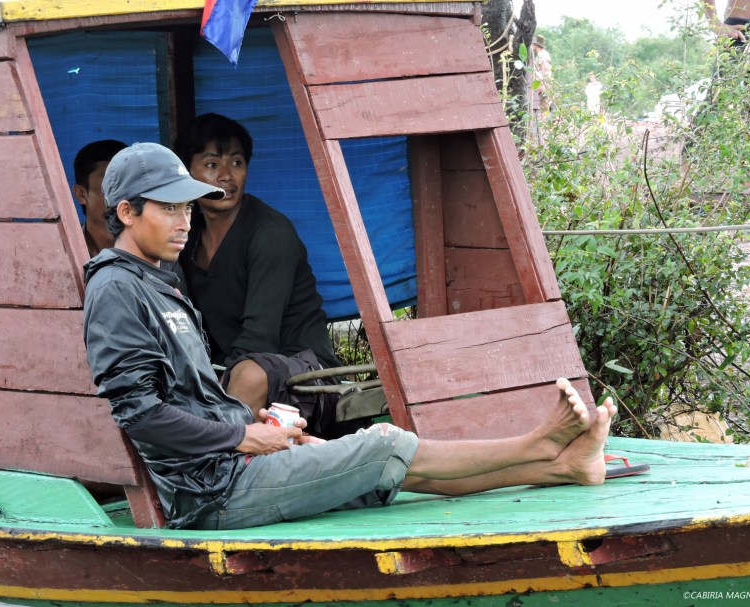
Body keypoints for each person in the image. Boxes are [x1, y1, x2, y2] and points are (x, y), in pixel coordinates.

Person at [83, 142, 618, 530]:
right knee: (382, 444)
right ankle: (537, 443)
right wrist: (243, 438)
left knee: (386, 474)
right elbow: (141, 414)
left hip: (232, 465)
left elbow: (191, 398)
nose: (182, 222)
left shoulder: (158, 281)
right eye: (167, 208)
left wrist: (255, 421)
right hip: (214, 491)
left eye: (185, 208)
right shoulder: (114, 289)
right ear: (127, 212)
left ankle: (563, 467)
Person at [174, 114, 342, 436]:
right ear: (188, 173)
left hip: (306, 373)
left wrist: (211, 390)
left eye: (236, 162)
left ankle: (222, 472)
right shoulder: (186, 235)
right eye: (211, 165)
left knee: (249, 375)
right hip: (232, 367)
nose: (226, 176)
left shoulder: (269, 235)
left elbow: (259, 340)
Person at [690, 0, 750, 196]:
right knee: (717, 98)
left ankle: (746, 173)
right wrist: (715, 24)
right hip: (739, 26)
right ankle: (686, 169)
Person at [72, 140, 128, 257]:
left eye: (129, 184)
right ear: (81, 194)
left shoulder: (155, 251)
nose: (124, 195)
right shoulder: (65, 253)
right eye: (111, 185)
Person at [532, 34, 553, 119]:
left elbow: (543, 69)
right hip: (548, 81)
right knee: (544, 104)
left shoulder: (541, 55)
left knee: (543, 105)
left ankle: (544, 127)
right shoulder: (545, 53)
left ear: (536, 45)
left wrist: (541, 84)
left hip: (543, 82)